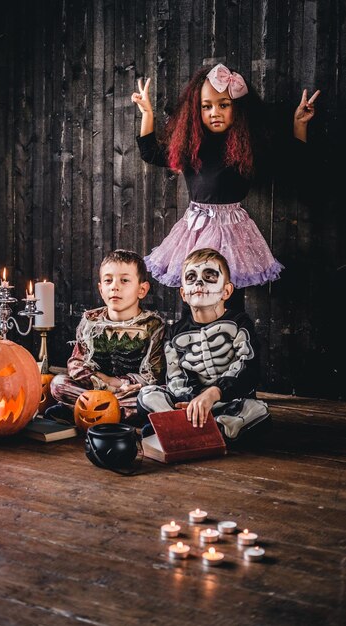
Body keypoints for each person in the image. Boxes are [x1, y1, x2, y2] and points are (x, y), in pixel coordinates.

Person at [131, 63, 320, 302]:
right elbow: (150, 153)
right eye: (206, 106)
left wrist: (300, 124)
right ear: (197, 110)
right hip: (196, 229)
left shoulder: (249, 147)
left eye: (224, 105)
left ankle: (231, 334)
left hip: (232, 229)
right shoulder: (190, 145)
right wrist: (148, 114)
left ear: (237, 108)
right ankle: (196, 335)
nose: (214, 112)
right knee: (195, 292)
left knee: (228, 292)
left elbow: (292, 162)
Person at [137, 247, 271, 443]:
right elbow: (176, 375)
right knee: (147, 394)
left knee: (259, 411)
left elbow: (248, 367)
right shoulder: (175, 332)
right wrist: (190, 400)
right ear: (183, 293)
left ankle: (182, 428)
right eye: (191, 277)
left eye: (209, 276)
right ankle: (193, 426)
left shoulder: (240, 323)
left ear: (226, 291)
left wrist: (214, 393)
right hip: (189, 404)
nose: (199, 282)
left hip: (229, 402)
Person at [47, 250, 165, 424]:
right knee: (58, 384)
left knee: (151, 397)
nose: (114, 287)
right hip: (95, 388)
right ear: (101, 289)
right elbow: (75, 363)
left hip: (130, 392)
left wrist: (118, 383)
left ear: (142, 289)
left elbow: (154, 374)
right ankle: (110, 413)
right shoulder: (91, 322)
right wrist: (104, 384)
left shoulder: (152, 326)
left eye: (124, 280)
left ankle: (81, 411)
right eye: (108, 280)